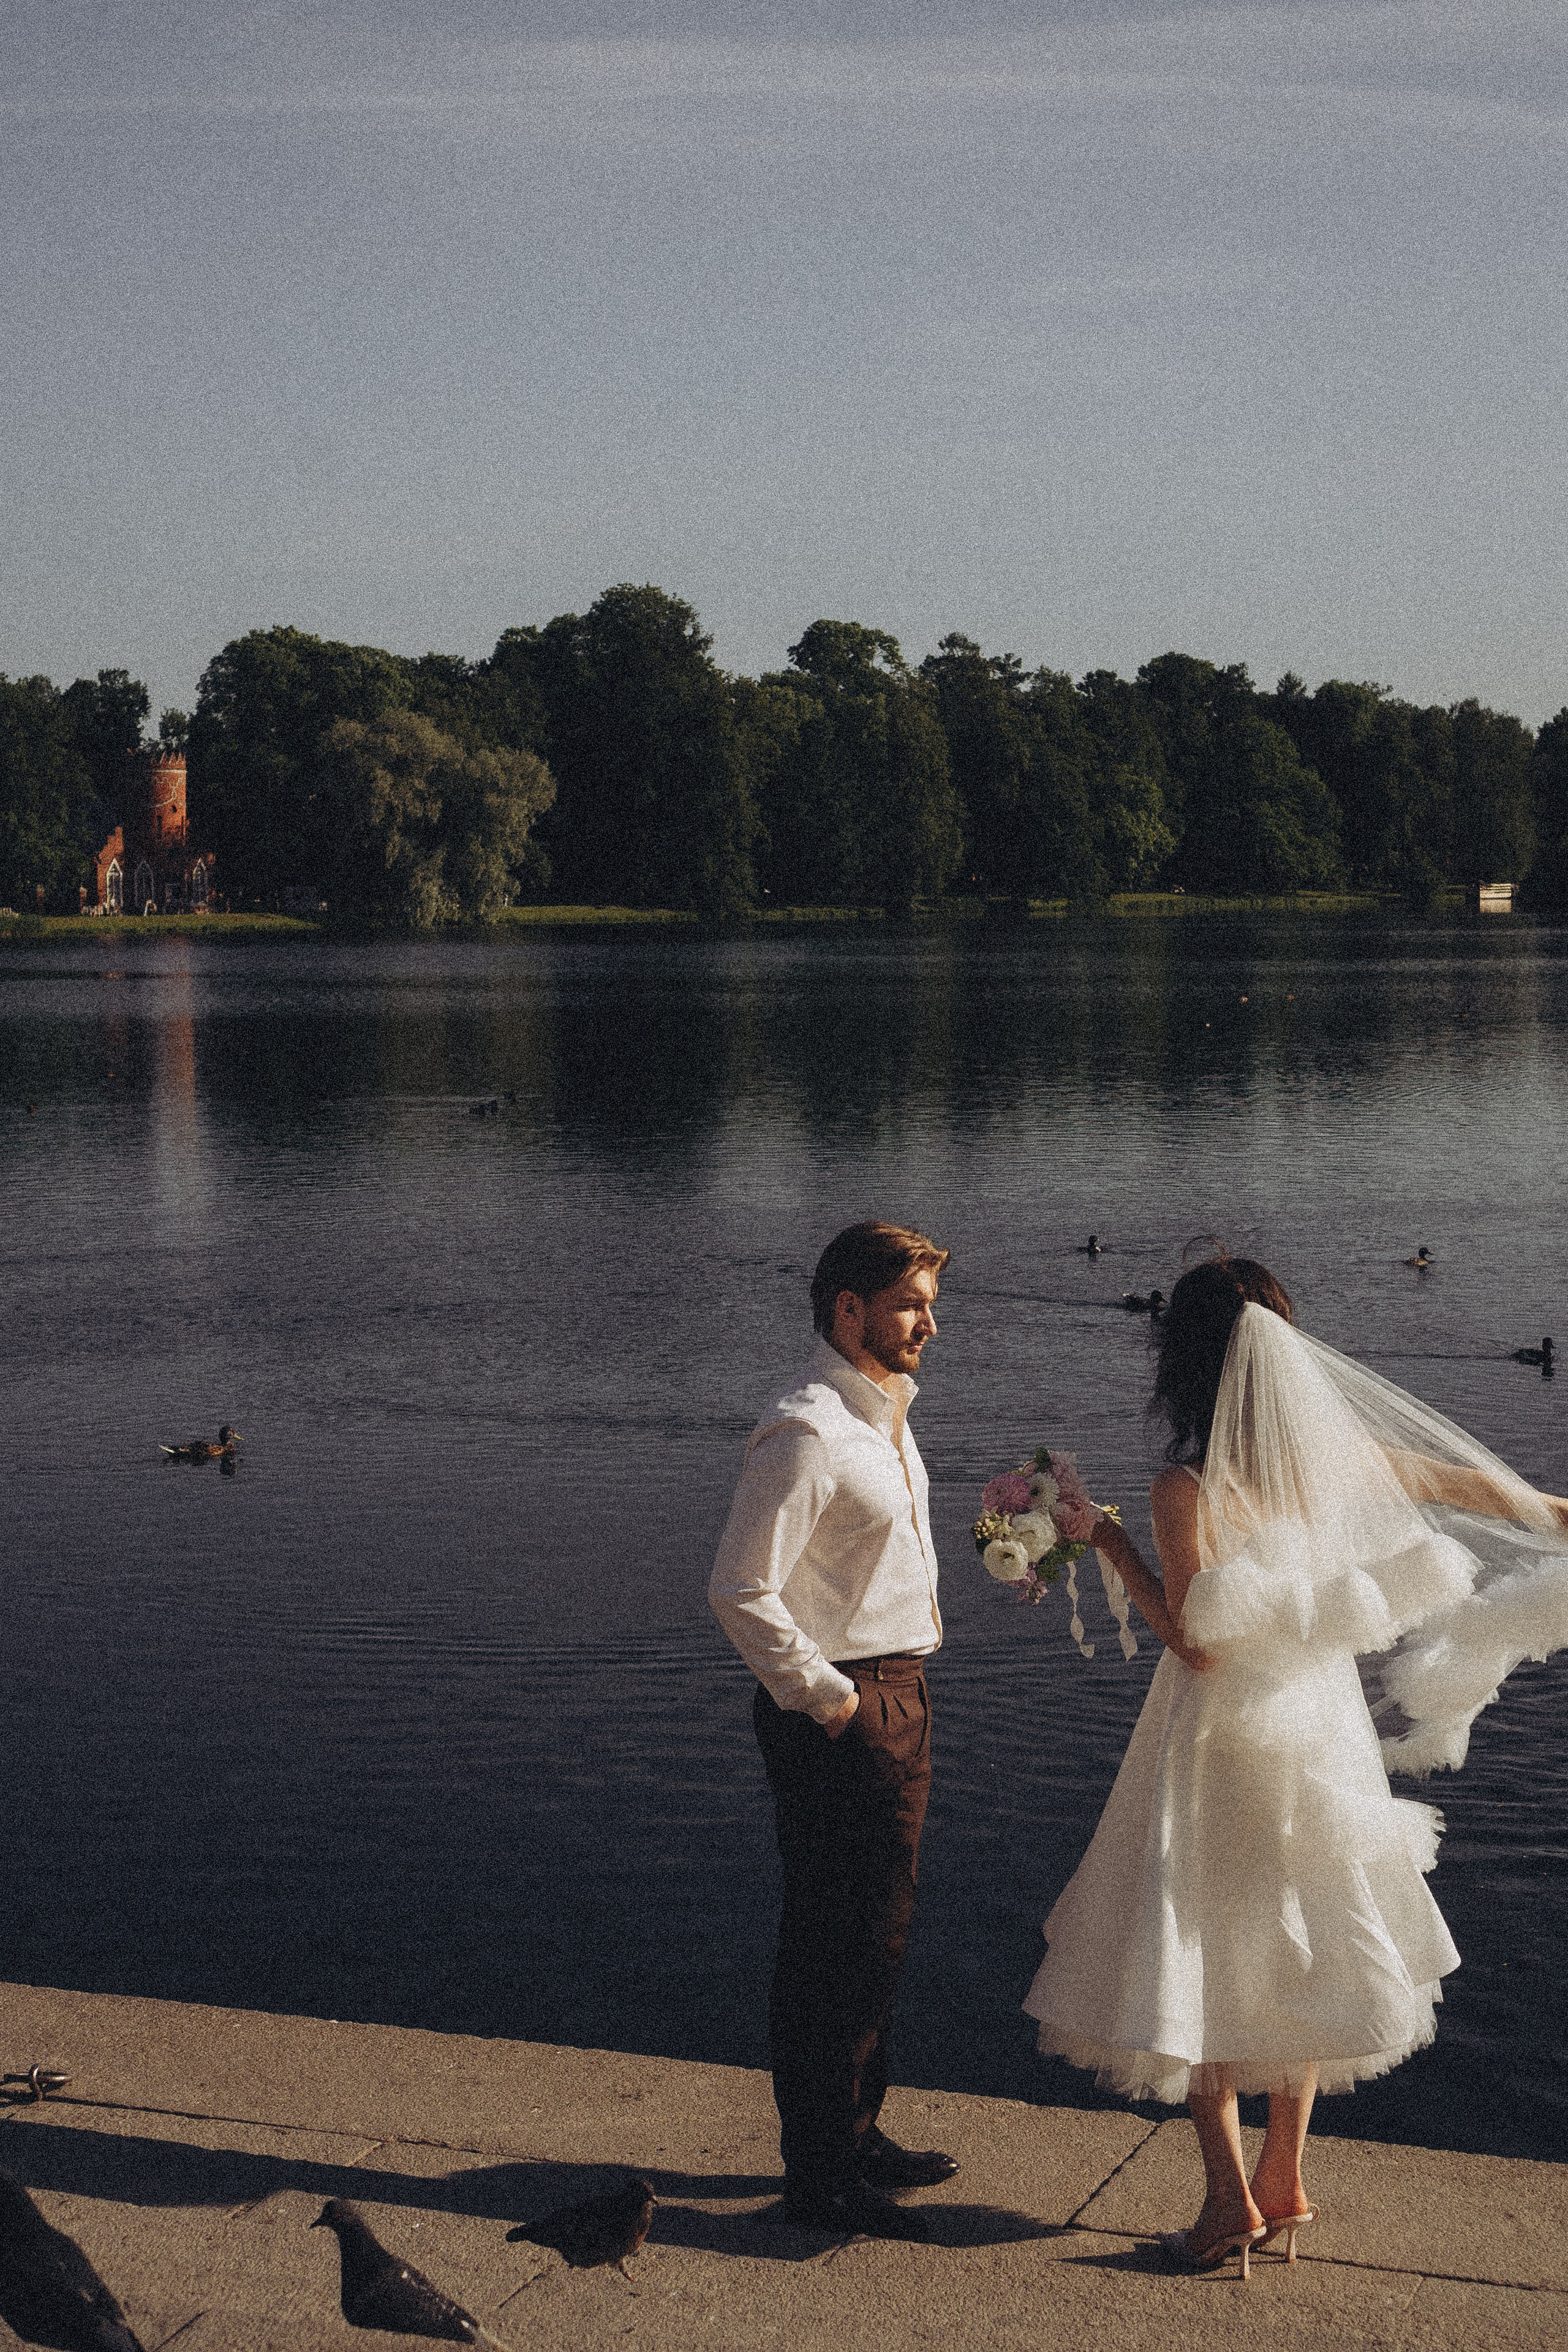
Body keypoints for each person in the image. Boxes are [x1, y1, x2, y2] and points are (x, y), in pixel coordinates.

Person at [1024, 1254, 1568, 2278]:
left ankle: (1227, 2202)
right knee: (1309, 1938)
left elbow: (1196, 1641)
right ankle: (1284, 2180)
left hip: (1217, 1740)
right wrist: (1560, 1515)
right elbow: (1487, 1491)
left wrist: (1106, 1542)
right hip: (1320, 1732)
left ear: (1183, 1365)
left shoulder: (1185, 1486)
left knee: (1203, 1944)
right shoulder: (1342, 1462)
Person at [709, 1220, 958, 2239]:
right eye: (909, 1304)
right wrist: (830, 1697)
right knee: (830, 1944)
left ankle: (854, 2133)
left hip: (898, 1692)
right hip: (847, 1710)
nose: (929, 1325)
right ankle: (817, 2177)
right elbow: (739, 1589)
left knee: (877, 1934)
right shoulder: (808, 1431)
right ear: (847, 1309)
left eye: (931, 1303)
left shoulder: (884, 1417)